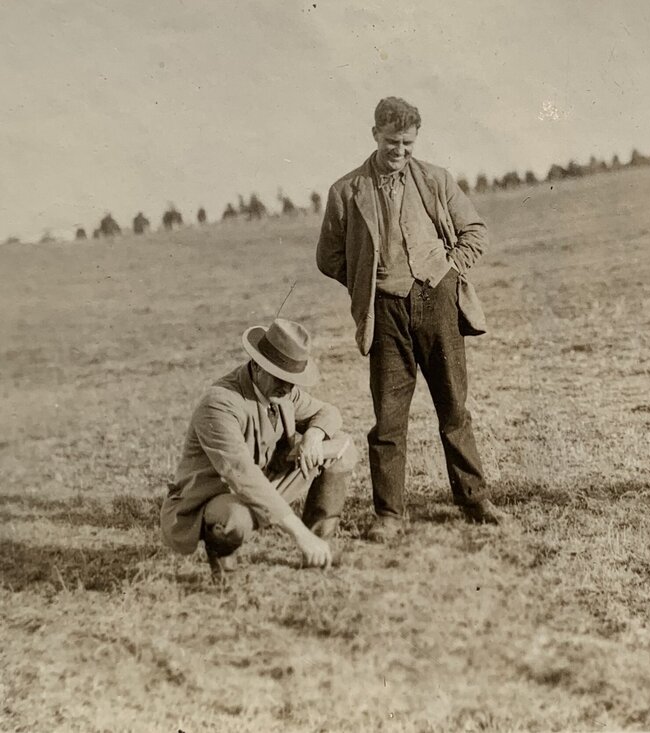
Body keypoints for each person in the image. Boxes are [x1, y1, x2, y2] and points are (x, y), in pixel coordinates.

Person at [316, 96, 503, 542]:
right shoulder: (346, 191)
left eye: (408, 143)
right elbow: (328, 256)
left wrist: (450, 269)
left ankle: (474, 499)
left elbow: (475, 230)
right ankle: (389, 515)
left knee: (453, 406)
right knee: (389, 416)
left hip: (437, 303)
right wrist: (366, 281)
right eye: (392, 141)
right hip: (385, 313)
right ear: (374, 134)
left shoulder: (436, 180)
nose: (400, 151)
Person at [160, 318, 359, 577]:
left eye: (293, 380)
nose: (287, 387)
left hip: (262, 484)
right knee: (235, 518)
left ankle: (319, 546)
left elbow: (328, 412)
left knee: (341, 448)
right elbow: (241, 473)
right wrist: (296, 533)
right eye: (281, 378)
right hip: (215, 496)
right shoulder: (220, 403)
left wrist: (312, 436)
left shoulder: (285, 392)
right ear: (257, 366)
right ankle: (223, 561)